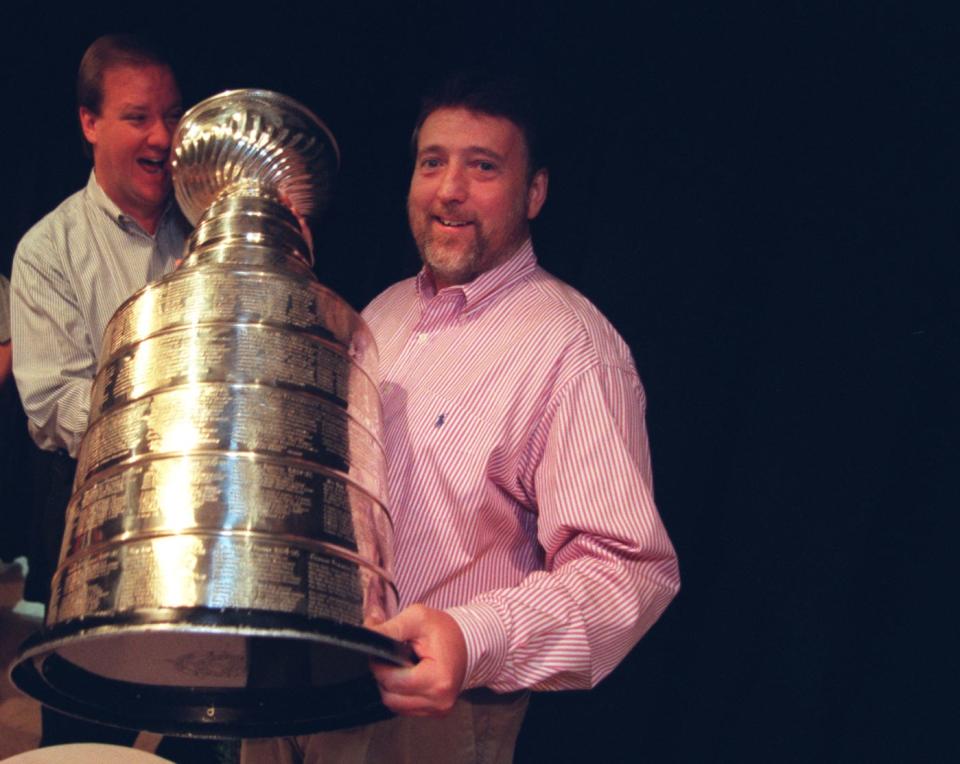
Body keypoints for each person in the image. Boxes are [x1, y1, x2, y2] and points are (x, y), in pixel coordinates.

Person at [244, 72, 681, 763]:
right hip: (299, 680)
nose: (449, 189)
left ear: (533, 192)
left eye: (482, 166)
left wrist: (473, 637)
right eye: (432, 162)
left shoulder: (573, 348)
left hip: (428, 721)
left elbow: (626, 572)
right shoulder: (380, 312)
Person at [7, 35, 228, 760]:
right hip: (90, 522)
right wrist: (168, 422)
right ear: (88, 123)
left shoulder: (207, 232)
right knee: (89, 725)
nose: (163, 137)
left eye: (172, 115)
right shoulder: (47, 249)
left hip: (202, 525)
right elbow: (52, 405)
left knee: (207, 721)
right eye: (138, 117)